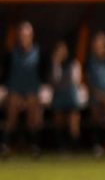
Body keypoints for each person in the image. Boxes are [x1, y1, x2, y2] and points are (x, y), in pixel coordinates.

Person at [1, 21, 45, 156]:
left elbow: (43, 77)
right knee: (12, 106)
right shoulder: (11, 54)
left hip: (32, 93)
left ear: (32, 36)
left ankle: (34, 145)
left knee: (33, 108)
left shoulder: (39, 53)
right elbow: (5, 76)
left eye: (27, 36)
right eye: (21, 36)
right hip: (14, 92)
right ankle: (5, 145)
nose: (24, 38)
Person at [47, 40, 85, 151]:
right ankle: (61, 145)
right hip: (59, 96)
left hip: (71, 96)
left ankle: (75, 145)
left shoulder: (73, 64)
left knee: (74, 121)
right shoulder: (54, 65)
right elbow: (54, 81)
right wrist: (55, 64)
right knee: (59, 120)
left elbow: (75, 81)